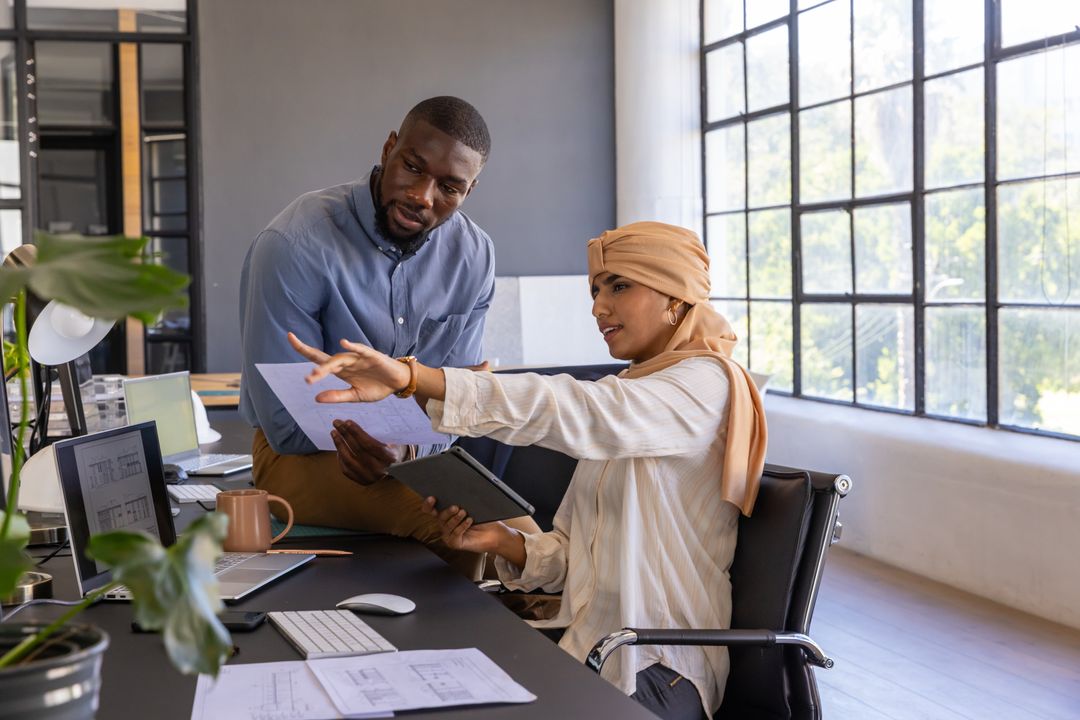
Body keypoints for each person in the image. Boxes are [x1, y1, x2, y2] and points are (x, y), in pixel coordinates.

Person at [288, 221, 768, 720]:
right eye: (596, 290)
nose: (598, 307)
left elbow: (577, 409)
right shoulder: (635, 391)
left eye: (619, 286)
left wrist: (414, 378)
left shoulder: (705, 384)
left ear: (676, 295)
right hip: (584, 649)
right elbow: (575, 557)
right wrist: (501, 541)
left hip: (655, 670)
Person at [238, 95, 538, 575]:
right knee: (461, 525)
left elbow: (461, 401)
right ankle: (461, 646)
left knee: (526, 540)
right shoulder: (293, 245)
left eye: (449, 187)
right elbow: (283, 425)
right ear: (389, 148)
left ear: (470, 189)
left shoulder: (474, 256)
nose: (422, 195)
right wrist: (389, 440)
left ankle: (541, 644)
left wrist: (410, 450)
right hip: (292, 460)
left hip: (415, 456)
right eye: (413, 168)